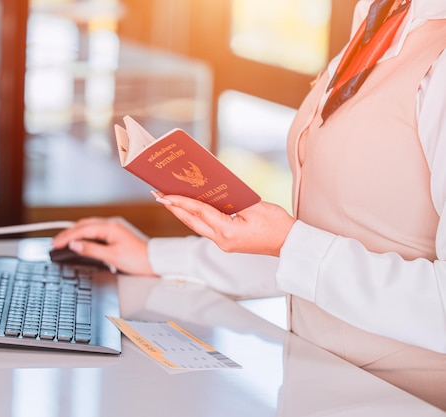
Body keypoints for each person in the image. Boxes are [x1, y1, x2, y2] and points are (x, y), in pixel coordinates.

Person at [52, 0, 446, 410]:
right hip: (316, 381)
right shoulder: (378, 20)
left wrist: (288, 242)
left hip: (402, 402)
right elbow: (313, 245)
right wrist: (153, 256)